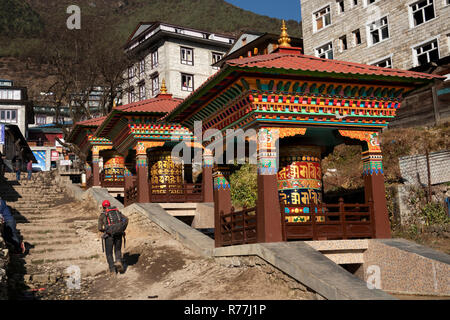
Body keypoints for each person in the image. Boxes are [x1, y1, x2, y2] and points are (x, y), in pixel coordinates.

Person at [98, 200, 128, 276]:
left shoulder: (103, 214)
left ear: (103, 207)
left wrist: (106, 229)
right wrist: (122, 229)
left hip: (109, 235)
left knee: (109, 253)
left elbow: (99, 228)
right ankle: (118, 261)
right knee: (117, 250)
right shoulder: (117, 212)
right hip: (119, 234)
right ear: (110, 205)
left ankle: (112, 270)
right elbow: (126, 219)